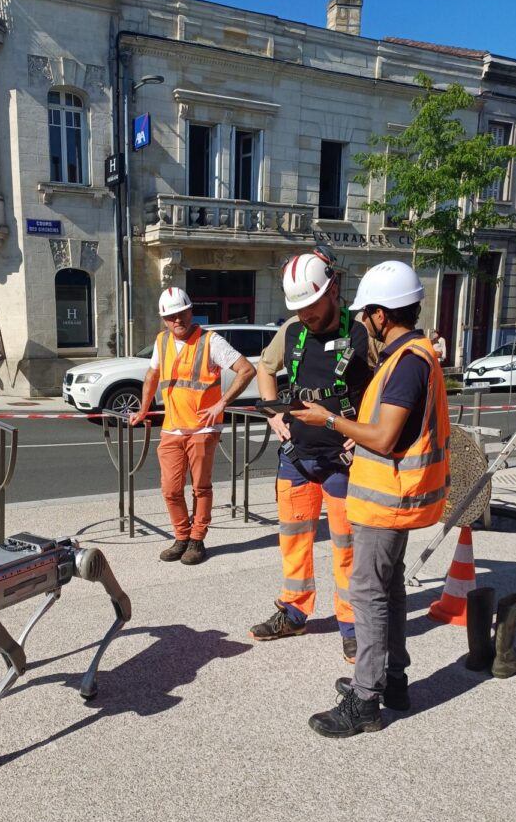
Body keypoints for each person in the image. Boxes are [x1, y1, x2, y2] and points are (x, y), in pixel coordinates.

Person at [292, 260, 450, 737]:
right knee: (390, 588)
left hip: (388, 500)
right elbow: (388, 434)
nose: (362, 322)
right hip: (396, 495)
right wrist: (355, 435)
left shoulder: (406, 364)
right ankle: (392, 681)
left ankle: (365, 702)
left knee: (368, 593)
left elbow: (383, 438)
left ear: (382, 315)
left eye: (366, 315)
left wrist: (332, 422)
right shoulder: (414, 355)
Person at [248, 249, 376, 663]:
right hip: (297, 458)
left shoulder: (363, 333)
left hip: (345, 461)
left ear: (333, 291)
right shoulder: (290, 330)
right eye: (298, 307)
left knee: (347, 549)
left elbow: (386, 386)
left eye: (311, 304)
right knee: (293, 542)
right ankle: (294, 611)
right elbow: (265, 369)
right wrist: (272, 415)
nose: (305, 314)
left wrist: (368, 431)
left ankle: (352, 625)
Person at [129, 287, 255, 565]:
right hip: (172, 428)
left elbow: (247, 370)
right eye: (171, 316)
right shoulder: (161, 341)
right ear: (164, 319)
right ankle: (181, 537)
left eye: (181, 313)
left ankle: (197, 540)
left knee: (200, 487)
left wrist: (222, 403)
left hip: (202, 428)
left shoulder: (211, 341)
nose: (177, 320)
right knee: (171, 489)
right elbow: (152, 375)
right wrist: (143, 408)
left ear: (190, 311)